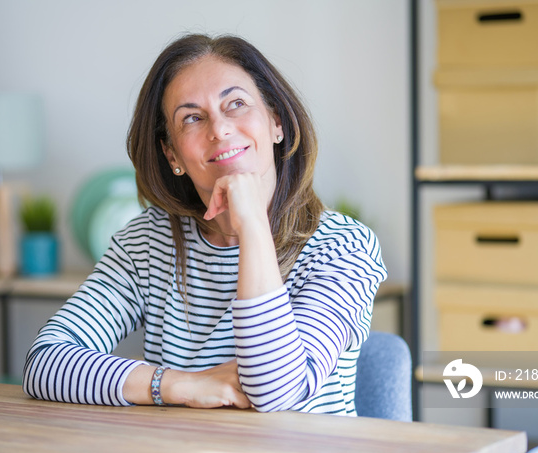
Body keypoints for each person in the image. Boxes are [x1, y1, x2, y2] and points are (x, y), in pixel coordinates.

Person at [23, 33, 387, 415]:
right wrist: (180, 384)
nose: (219, 129)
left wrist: (251, 225)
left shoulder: (344, 247)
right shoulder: (147, 244)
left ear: (276, 122)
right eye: (192, 118)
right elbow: (45, 362)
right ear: (172, 153)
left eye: (236, 104)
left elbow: (277, 393)